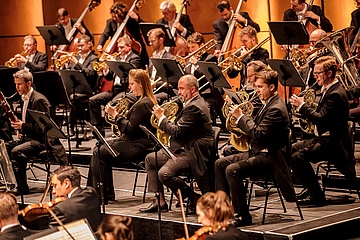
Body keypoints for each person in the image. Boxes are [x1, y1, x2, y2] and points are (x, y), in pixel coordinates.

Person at [215, 69, 297, 226]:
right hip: (259, 152)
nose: (256, 90)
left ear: (272, 87)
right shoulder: (268, 103)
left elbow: (259, 134)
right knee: (220, 163)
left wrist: (240, 117)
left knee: (232, 170)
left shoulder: (276, 109)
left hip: (272, 159)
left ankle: (243, 216)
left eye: (260, 87)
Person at [139, 75, 214, 213]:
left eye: (182, 89)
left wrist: (162, 117)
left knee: (164, 174)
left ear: (193, 89)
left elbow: (177, 131)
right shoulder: (191, 103)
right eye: (178, 88)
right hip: (179, 147)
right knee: (150, 159)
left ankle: (193, 197)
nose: (179, 92)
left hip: (191, 151)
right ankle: (159, 201)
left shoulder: (195, 107)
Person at [290, 56, 356, 206]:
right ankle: (310, 187)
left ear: (329, 73)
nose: (315, 76)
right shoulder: (328, 90)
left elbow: (321, 119)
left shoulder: (335, 94)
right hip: (324, 138)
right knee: (290, 149)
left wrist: (302, 106)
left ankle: (317, 195)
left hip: (334, 144)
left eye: (318, 73)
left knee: (298, 157)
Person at [87, 69, 157, 203]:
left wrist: (115, 115)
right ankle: (102, 194)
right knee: (100, 147)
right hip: (133, 141)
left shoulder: (143, 104)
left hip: (139, 146)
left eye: (132, 84)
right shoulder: (143, 101)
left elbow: (129, 129)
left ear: (141, 84)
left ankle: (98, 195)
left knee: (99, 152)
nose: (129, 87)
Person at [6, 70, 67, 195]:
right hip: (30, 138)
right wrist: (20, 130)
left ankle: (23, 187)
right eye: (16, 84)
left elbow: (43, 129)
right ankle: (14, 182)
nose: (17, 87)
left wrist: (23, 126)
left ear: (29, 84)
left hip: (42, 141)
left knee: (16, 151)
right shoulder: (24, 98)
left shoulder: (39, 100)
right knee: (5, 147)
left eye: (19, 84)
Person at [89, 35, 143, 136]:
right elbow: (109, 77)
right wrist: (106, 68)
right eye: (118, 47)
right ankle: (98, 131)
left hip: (127, 90)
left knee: (112, 104)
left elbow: (132, 76)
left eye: (122, 47)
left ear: (129, 46)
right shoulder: (118, 58)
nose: (119, 49)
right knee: (93, 100)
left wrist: (115, 64)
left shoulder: (135, 58)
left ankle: (118, 129)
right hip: (115, 90)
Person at [222, 60, 266, 157]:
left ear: (260, 75)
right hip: (248, 133)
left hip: (255, 140)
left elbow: (250, 111)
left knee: (226, 154)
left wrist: (237, 106)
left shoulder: (262, 95)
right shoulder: (254, 93)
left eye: (250, 76)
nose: (248, 80)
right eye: (247, 77)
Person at [50, 166, 101, 231]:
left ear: (66, 183)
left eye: (55, 185)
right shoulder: (92, 193)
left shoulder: (61, 209)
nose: (53, 192)